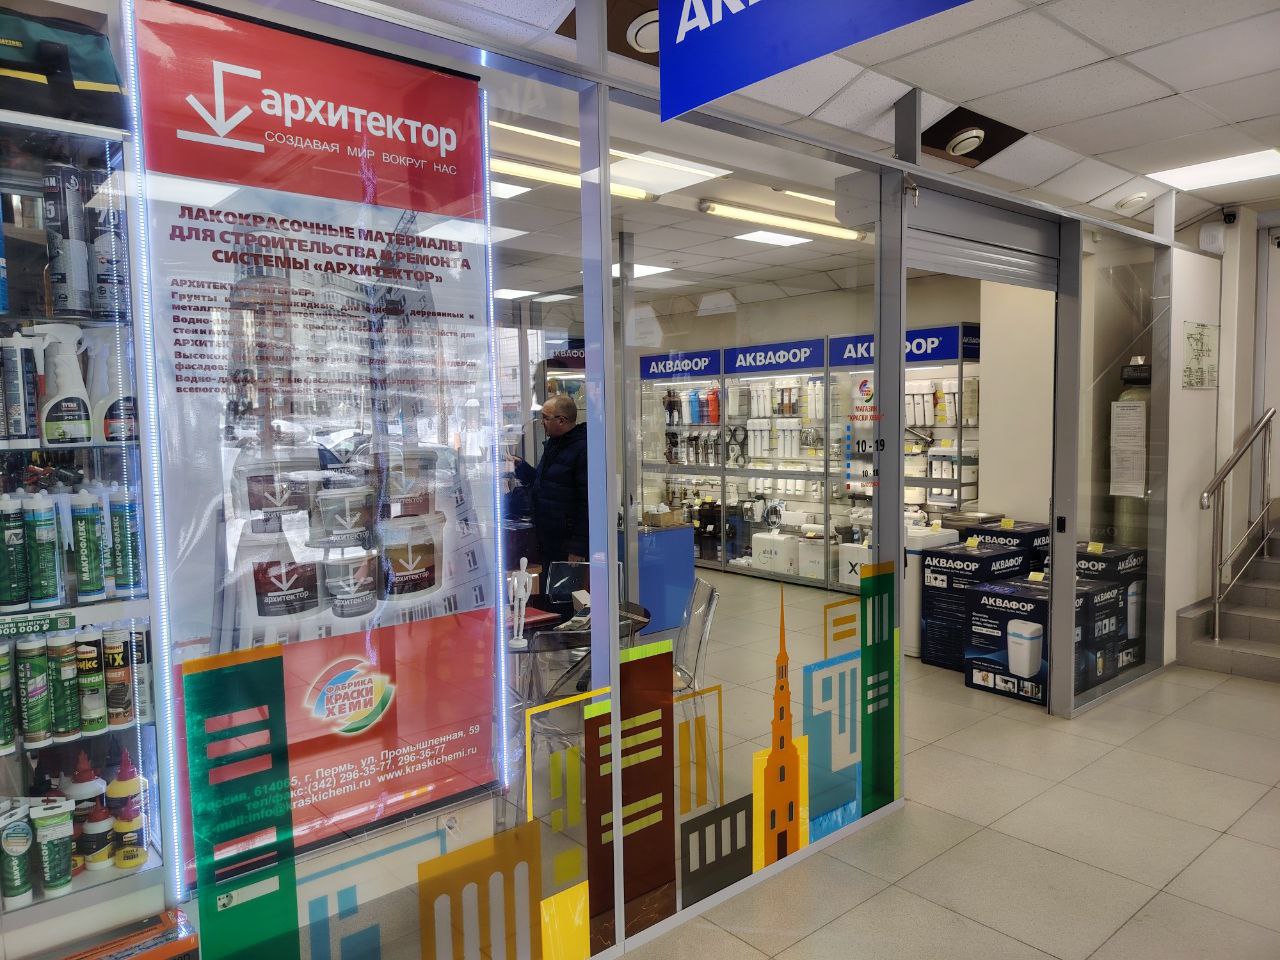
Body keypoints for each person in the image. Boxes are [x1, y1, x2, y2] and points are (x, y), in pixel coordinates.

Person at [513, 395, 589, 565]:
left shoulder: (582, 450)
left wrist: (577, 547)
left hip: (566, 545)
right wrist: (521, 467)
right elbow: (545, 483)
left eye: (546, 418)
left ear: (561, 420)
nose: (542, 423)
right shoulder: (554, 445)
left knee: (565, 583)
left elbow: (586, 503)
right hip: (547, 540)